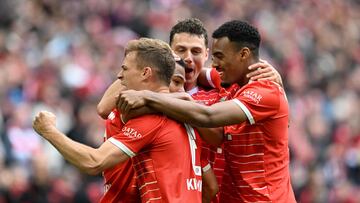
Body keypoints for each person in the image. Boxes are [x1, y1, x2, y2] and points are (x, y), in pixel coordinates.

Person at [117, 21, 296, 202]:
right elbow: (103, 106)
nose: (215, 64)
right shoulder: (229, 82)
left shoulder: (264, 91)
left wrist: (148, 97)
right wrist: (159, 69)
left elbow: (208, 117)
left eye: (219, 56)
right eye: (181, 50)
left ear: (243, 54)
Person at [33, 38, 203, 202]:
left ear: (146, 73)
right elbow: (102, 108)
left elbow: (94, 162)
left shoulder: (152, 116)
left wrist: (48, 130)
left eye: (125, 69)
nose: (119, 76)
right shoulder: (184, 113)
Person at [168, 18, 283, 203]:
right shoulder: (153, 87)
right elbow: (103, 107)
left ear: (205, 54)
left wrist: (158, 99)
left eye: (196, 51)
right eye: (181, 50)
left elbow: (211, 121)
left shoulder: (240, 88)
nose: (188, 57)